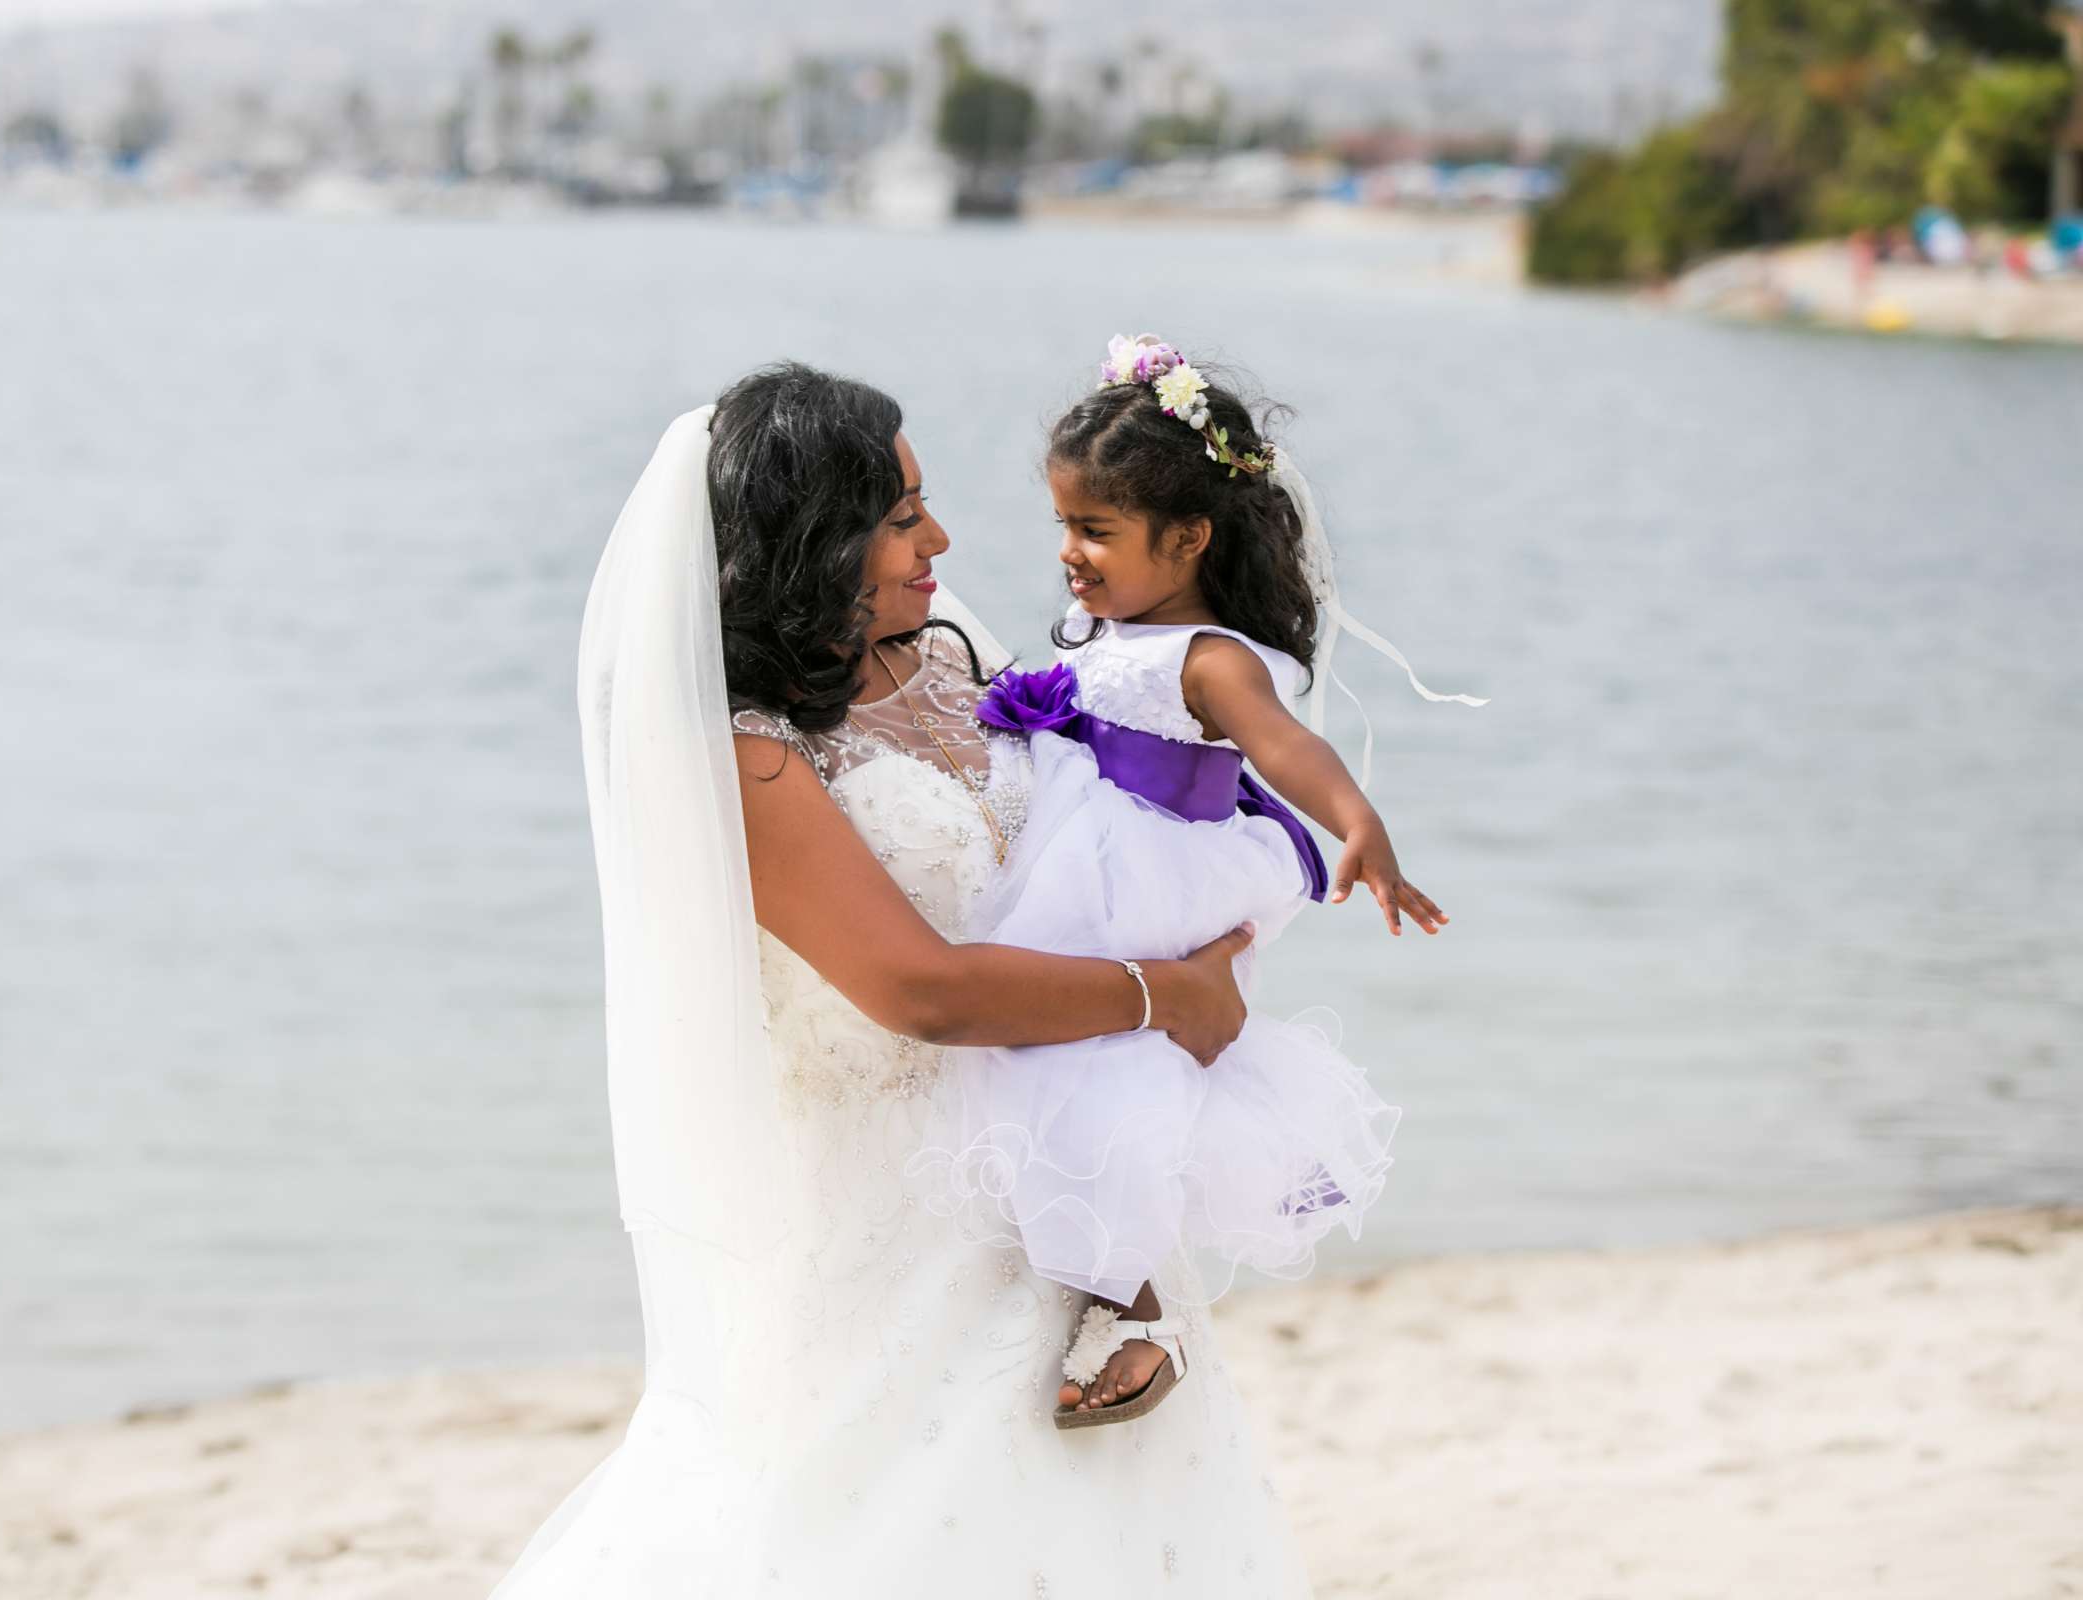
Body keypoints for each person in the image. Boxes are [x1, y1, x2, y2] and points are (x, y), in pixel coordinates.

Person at [496, 362, 1317, 1596]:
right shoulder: (745, 749)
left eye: (922, 505)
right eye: (898, 518)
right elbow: (918, 987)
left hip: (1062, 1183)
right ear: (811, 540)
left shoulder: (953, 661)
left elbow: (1104, 839)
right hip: (890, 1219)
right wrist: (1164, 994)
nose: (940, 538)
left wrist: (1226, 914)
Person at [909, 336, 1479, 1428]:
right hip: (1083, 851)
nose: (1071, 553)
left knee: (1065, 1067)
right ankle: (1108, 1287)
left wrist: (1358, 822)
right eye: (1065, 527)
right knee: (1057, 1062)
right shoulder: (1113, 628)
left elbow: (1285, 748)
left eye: (1098, 531)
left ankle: (1128, 1299)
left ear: (1188, 539)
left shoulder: (1211, 657)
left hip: (1140, 870)